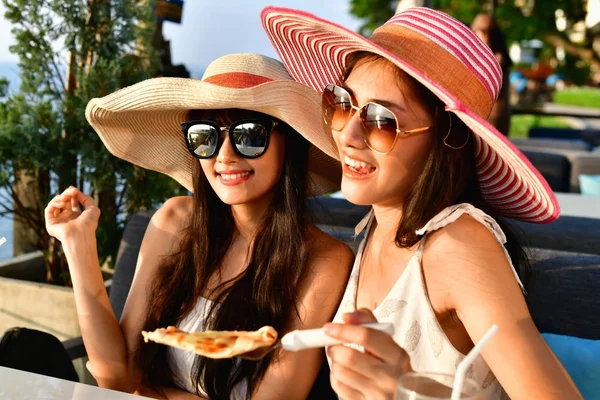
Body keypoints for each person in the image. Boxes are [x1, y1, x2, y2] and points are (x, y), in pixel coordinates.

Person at [262, 7, 582, 400]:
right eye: (342, 103)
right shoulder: (378, 226)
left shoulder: (459, 245)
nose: (349, 133)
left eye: (382, 121)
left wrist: (406, 389)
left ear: (445, 141)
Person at [44, 53, 354, 399]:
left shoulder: (324, 261)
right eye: (205, 136)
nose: (224, 156)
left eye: (249, 135)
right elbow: (116, 376)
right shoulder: (175, 222)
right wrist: (78, 244)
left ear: (290, 142)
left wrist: (153, 392)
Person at [471, 13, 513, 135]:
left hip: (491, 119)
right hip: (480, 117)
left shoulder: (497, 59)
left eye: (487, 32)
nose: (485, 36)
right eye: (481, 31)